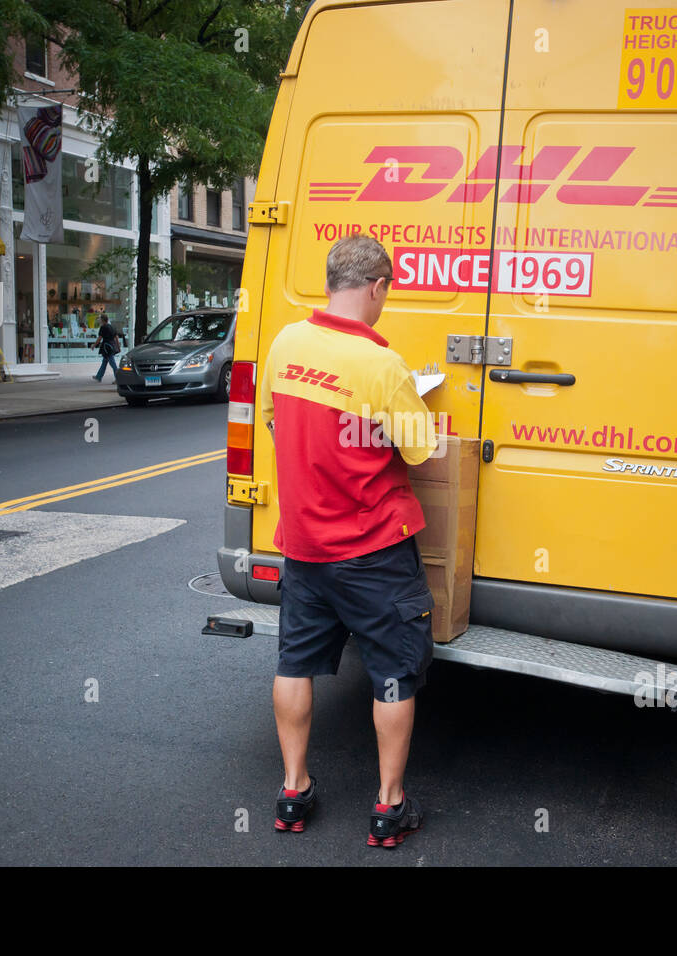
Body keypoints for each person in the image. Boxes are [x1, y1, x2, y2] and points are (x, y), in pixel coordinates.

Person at [263, 234, 438, 849]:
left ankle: (293, 789)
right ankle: (388, 807)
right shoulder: (381, 365)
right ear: (376, 288)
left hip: (303, 548)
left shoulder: (285, 343)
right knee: (392, 671)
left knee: (295, 663)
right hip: (372, 552)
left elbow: (276, 423)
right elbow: (419, 449)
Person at [91, 312, 120, 383]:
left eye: (100, 319)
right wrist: (118, 347)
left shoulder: (103, 327)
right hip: (112, 346)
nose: (99, 320)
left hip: (107, 347)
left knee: (112, 363)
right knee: (104, 362)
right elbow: (116, 338)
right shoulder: (112, 327)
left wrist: (94, 345)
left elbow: (100, 338)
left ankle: (118, 378)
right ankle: (99, 376)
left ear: (103, 320)